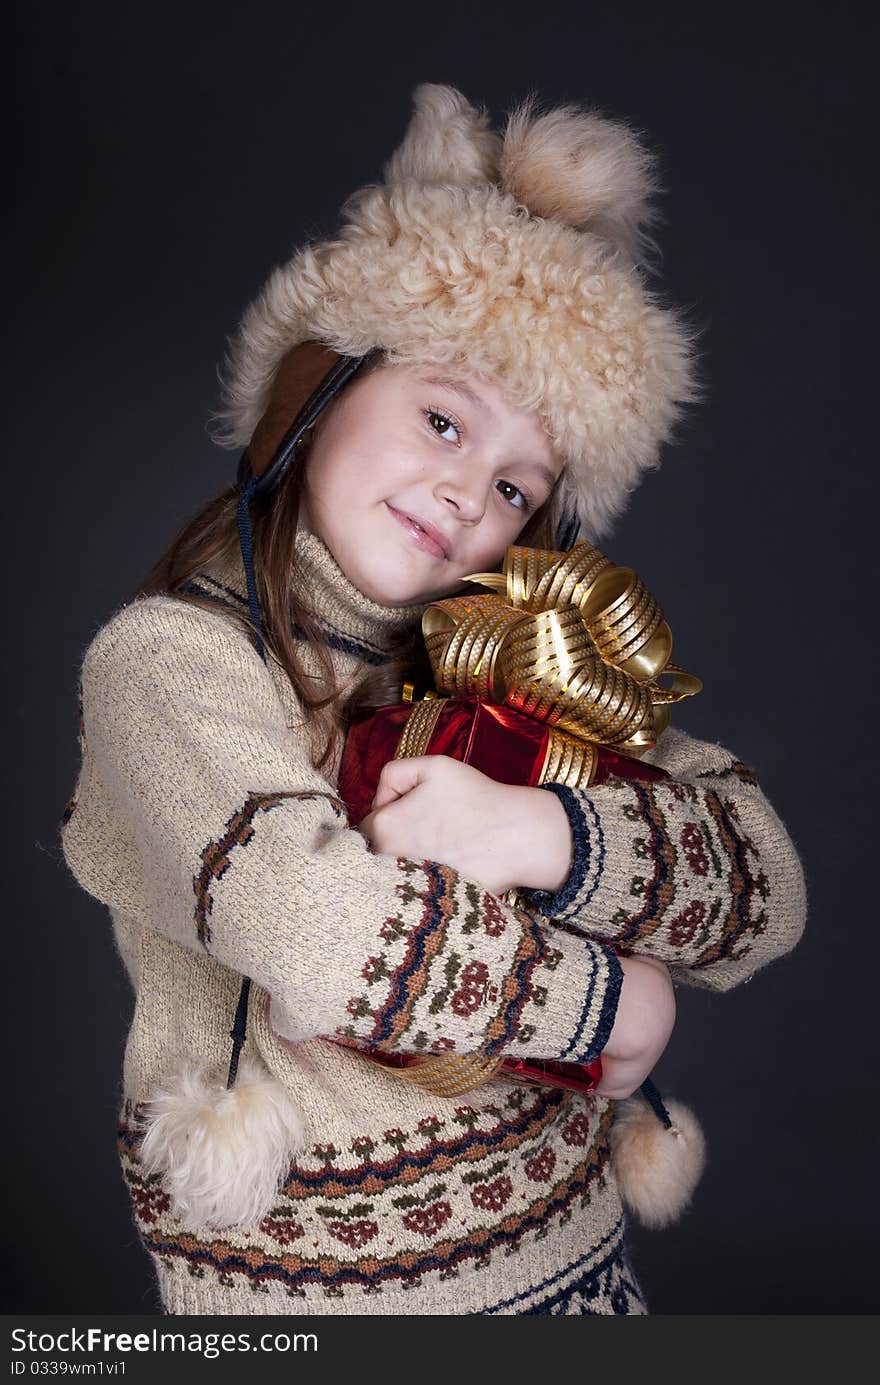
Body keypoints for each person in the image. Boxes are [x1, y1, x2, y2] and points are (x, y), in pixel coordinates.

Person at [60, 83, 807, 1316]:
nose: (470, 491)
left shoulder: (509, 666)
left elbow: (766, 884)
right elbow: (312, 926)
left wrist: (540, 832)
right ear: (317, 392)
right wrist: (614, 998)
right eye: (444, 418)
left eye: (519, 486)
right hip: (336, 1297)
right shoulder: (170, 663)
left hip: (573, 1257)